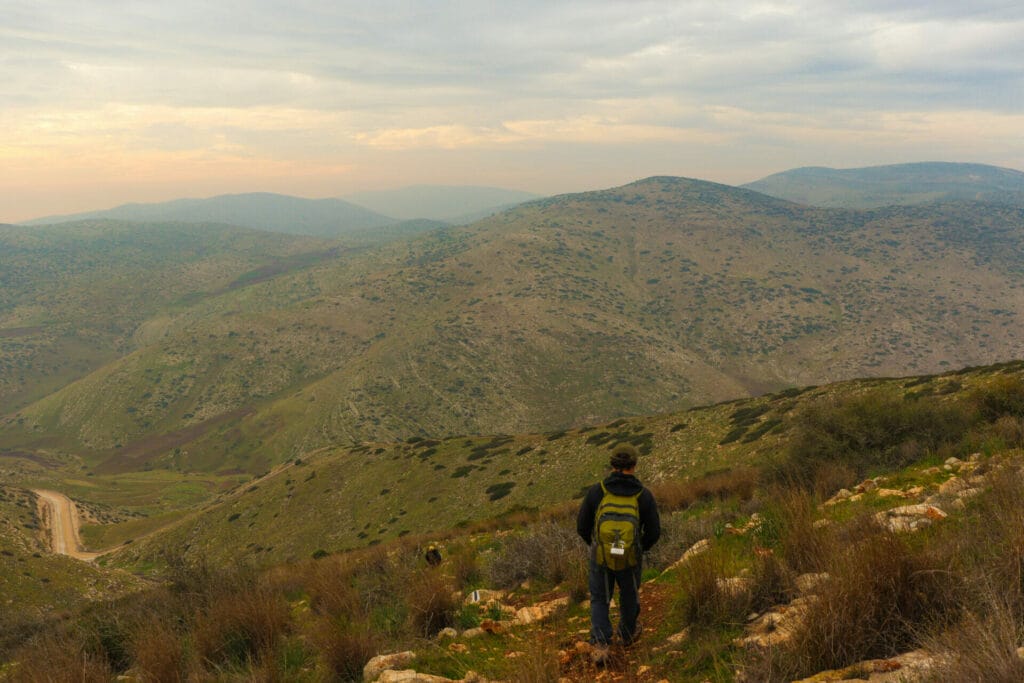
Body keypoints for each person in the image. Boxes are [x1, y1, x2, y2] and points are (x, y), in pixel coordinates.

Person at [576, 443, 661, 665]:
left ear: (612, 464)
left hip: (601, 556)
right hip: (630, 557)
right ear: (634, 465)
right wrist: (638, 548)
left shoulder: (598, 491)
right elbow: (654, 531)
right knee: (629, 595)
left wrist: (597, 545)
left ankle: (601, 644)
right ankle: (626, 634)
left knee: (599, 598)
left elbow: (582, 526)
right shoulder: (643, 495)